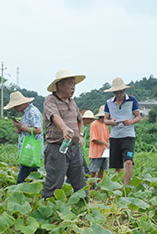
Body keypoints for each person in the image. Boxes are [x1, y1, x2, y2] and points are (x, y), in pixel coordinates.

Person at [42, 69, 86, 199]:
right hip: (57, 147)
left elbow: (80, 120)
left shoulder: (72, 102)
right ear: (59, 85)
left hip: (74, 147)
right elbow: (54, 115)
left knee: (80, 179)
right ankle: (48, 209)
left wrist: (81, 135)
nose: (73, 87)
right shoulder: (50, 100)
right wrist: (64, 128)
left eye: (74, 84)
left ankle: (83, 207)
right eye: (70, 84)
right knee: (55, 181)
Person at [103, 77, 142, 185]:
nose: (119, 94)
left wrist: (130, 122)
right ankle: (119, 187)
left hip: (128, 136)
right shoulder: (108, 103)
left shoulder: (132, 100)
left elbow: (138, 117)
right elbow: (105, 120)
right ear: (113, 92)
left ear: (124, 90)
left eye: (121, 91)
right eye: (116, 92)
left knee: (128, 161)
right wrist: (112, 122)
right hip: (115, 137)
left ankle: (126, 185)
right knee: (117, 165)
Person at [4, 91, 43, 184]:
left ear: (21, 104)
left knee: (21, 180)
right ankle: (32, 197)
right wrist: (19, 127)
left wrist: (22, 127)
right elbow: (26, 130)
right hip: (26, 151)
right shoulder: (25, 113)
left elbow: (38, 130)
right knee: (31, 179)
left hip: (31, 151)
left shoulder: (32, 112)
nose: (15, 108)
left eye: (15, 106)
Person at [89, 105, 110, 186]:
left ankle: (99, 189)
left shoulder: (106, 125)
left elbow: (107, 138)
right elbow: (94, 139)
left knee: (102, 172)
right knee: (93, 172)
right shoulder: (94, 124)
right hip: (95, 153)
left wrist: (108, 143)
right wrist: (105, 143)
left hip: (104, 153)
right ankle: (90, 189)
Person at [81, 110, 95, 174]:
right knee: (86, 171)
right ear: (86, 119)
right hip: (77, 151)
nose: (91, 121)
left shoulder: (85, 127)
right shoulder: (80, 126)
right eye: (90, 119)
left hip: (81, 151)